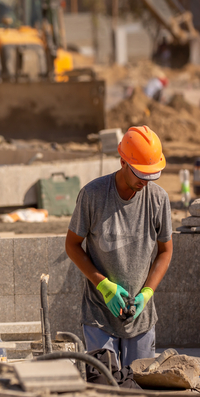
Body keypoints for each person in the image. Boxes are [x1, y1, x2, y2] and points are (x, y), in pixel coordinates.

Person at [65, 125, 173, 369]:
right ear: (123, 162)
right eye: (140, 174)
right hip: (99, 316)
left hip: (140, 319)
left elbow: (165, 252)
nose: (145, 181)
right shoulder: (93, 195)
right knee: (105, 385)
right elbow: (72, 245)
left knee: (139, 388)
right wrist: (103, 285)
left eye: (151, 175)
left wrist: (146, 294)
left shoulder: (158, 199)